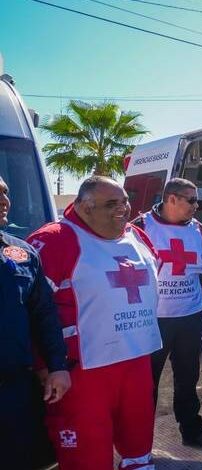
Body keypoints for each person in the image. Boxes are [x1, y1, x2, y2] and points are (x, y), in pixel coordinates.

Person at [27, 176, 162, 470]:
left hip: (136, 360)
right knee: (87, 456)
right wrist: (44, 364)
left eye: (125, 201)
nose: (123, 209)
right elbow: (30, 308)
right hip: (82, 370)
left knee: (139, 446)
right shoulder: (54, 240)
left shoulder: (137, 236)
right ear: (85, 207)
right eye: (111, 204)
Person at [132, 177, 202, 449]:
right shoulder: (140, 227)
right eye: (191, 200)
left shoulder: (200, 231)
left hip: (189, 317)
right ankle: (139, 440)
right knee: (146, 382)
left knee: (188, 377)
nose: (196, 205)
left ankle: (192, 431)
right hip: (153, 319)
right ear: (172, 199)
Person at [0, 176, 70, 469]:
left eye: (5, 192)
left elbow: (44, 314)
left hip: (14, 388)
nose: (4, 201)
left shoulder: (23, 253)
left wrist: (57, 366)